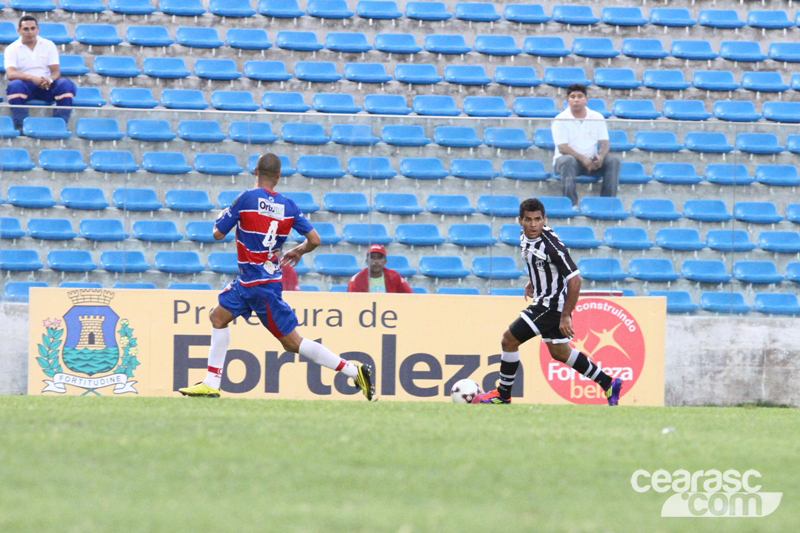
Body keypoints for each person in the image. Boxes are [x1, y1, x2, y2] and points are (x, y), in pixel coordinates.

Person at [179, 153, 375, 400]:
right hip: (252, 281)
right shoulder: (288, 206)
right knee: (217, 317)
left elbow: (217, 233)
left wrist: (227, 213)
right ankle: (210, 383)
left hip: (260, 285)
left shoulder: (246, 199)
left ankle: (354, 370)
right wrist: (299, 250)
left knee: (292, 343)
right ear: (279, 176)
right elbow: (315, 240)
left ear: (255, 172)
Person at [472, 198, 623, 405]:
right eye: (528, 220)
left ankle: (503, 394)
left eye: (537, 219)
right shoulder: (525, 237)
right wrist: (534, 280)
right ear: (520, 221)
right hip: (546, 300)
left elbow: (575, 280)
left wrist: (566, 315)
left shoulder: (551, 247)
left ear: (545, 219)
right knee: (560, 353)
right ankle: (608, 383)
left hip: (551, 306)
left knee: (508, 340)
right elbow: (537, 262)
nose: (533, 224)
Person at [551, 84, 620, 207]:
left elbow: (604, 143)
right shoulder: (560, 119)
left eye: (580, 96)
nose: (576, 100)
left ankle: (607, 203)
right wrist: (583, 159)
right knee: (567, 160)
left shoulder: (597, 117)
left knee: (613, 161)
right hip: (569, 162)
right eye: (572, 97)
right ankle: (571, 204)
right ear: (568, 100)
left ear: (586, 99)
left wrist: (601, 156)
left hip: (591, 161)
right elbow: (562, 147)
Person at [4, 15, 77, 130]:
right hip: (26, 85)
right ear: (19, 31)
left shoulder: (49, 45)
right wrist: (33, 78)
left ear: (37, 29)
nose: (30, 32)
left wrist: (49, 80)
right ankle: (21, 126)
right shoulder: (12, 49)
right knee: (14, 85)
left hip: (46, 85)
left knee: (65, 84)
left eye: (33, 28)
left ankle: (60, 124)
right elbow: (11, 74)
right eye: (26, 29)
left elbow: (56, 72)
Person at [347, 244, 413, 293]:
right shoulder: (356, 279)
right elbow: (352, 302)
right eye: (372, 257)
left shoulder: (394, 277)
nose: (376, 261)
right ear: (366, 261)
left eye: (379, 258)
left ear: (385, 262)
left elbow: (409, 296)